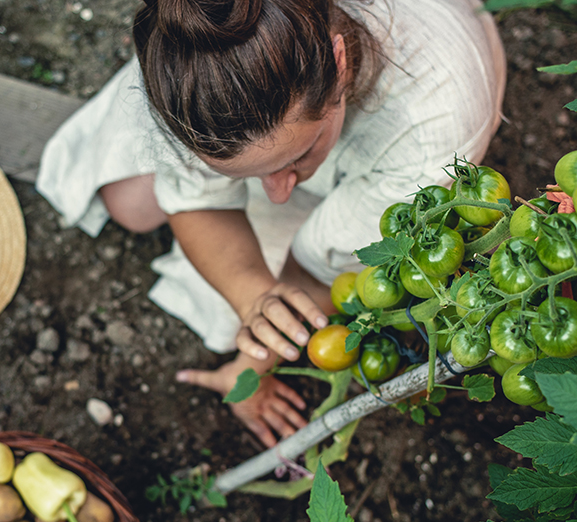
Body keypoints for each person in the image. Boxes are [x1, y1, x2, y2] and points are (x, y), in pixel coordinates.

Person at [36, 0, 505, 447]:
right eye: (251, 174)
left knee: (238, 305)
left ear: (339, 63)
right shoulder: (200, 91)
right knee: (129, 205)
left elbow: (313, 274)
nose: (278, 193)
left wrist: (249, 369)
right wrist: (253, 295)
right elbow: (203, 206)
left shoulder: (431, 130)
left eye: (300, 156)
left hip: (418, 112)